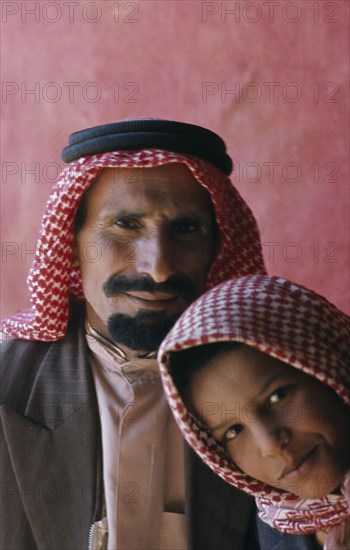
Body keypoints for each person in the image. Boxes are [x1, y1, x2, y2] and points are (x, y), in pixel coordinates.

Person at [0, 118, 271, 550]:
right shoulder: (8, 385)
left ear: (218, 247)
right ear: (71, 241)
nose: (158, 266)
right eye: (125, 225)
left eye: (186, 229)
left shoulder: (281, 389)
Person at [158, 275, 350, 549]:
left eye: (277, 396)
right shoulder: (269, 535)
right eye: (233, 431)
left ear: (332, 363)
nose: (271, 444)